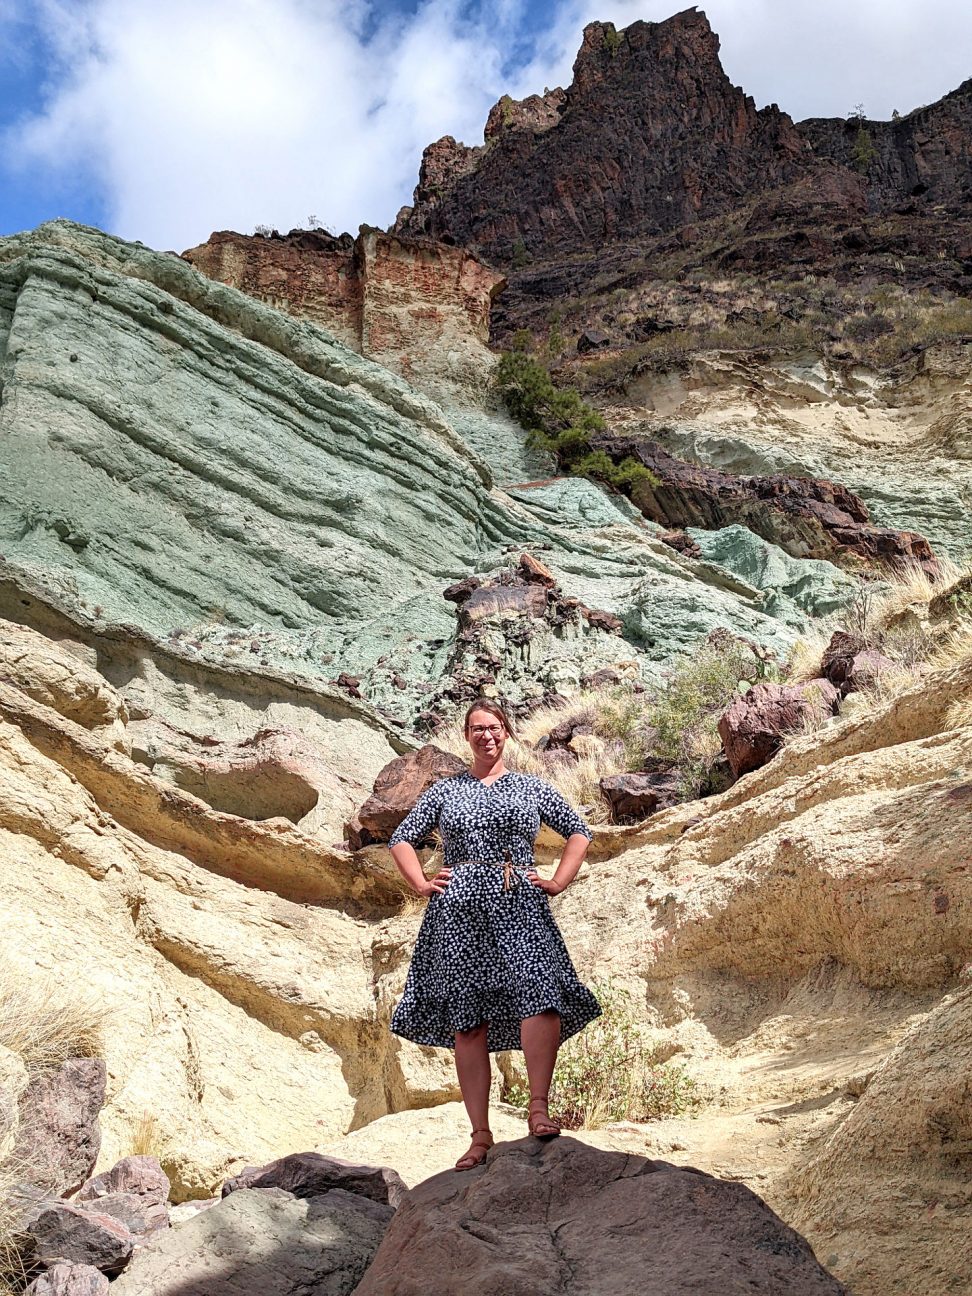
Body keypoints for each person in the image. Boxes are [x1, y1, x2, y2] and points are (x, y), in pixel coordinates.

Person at [387, 697, 602, 1171]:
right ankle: (480, 1135)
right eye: (476, 728)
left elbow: (578, 832)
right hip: (458, 909)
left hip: (519, 899)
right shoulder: (445, 792)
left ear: (506, 732)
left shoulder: (530, 787)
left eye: (493, 726)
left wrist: (558, 880)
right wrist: (422, 883)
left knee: (539, 997)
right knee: (469, 1021)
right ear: (467, 737)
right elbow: (400, 838)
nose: (485, 735)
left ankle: (538, 1108)